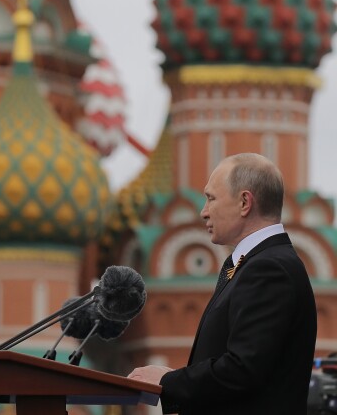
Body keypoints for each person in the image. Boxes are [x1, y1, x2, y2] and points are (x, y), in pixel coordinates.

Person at [128, 153, 317, 414]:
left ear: (244, 202)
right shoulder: (251, 264)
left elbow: (242, 369)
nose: (203, 212)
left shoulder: (268, 269)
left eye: (211, 198)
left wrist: (168, 382)